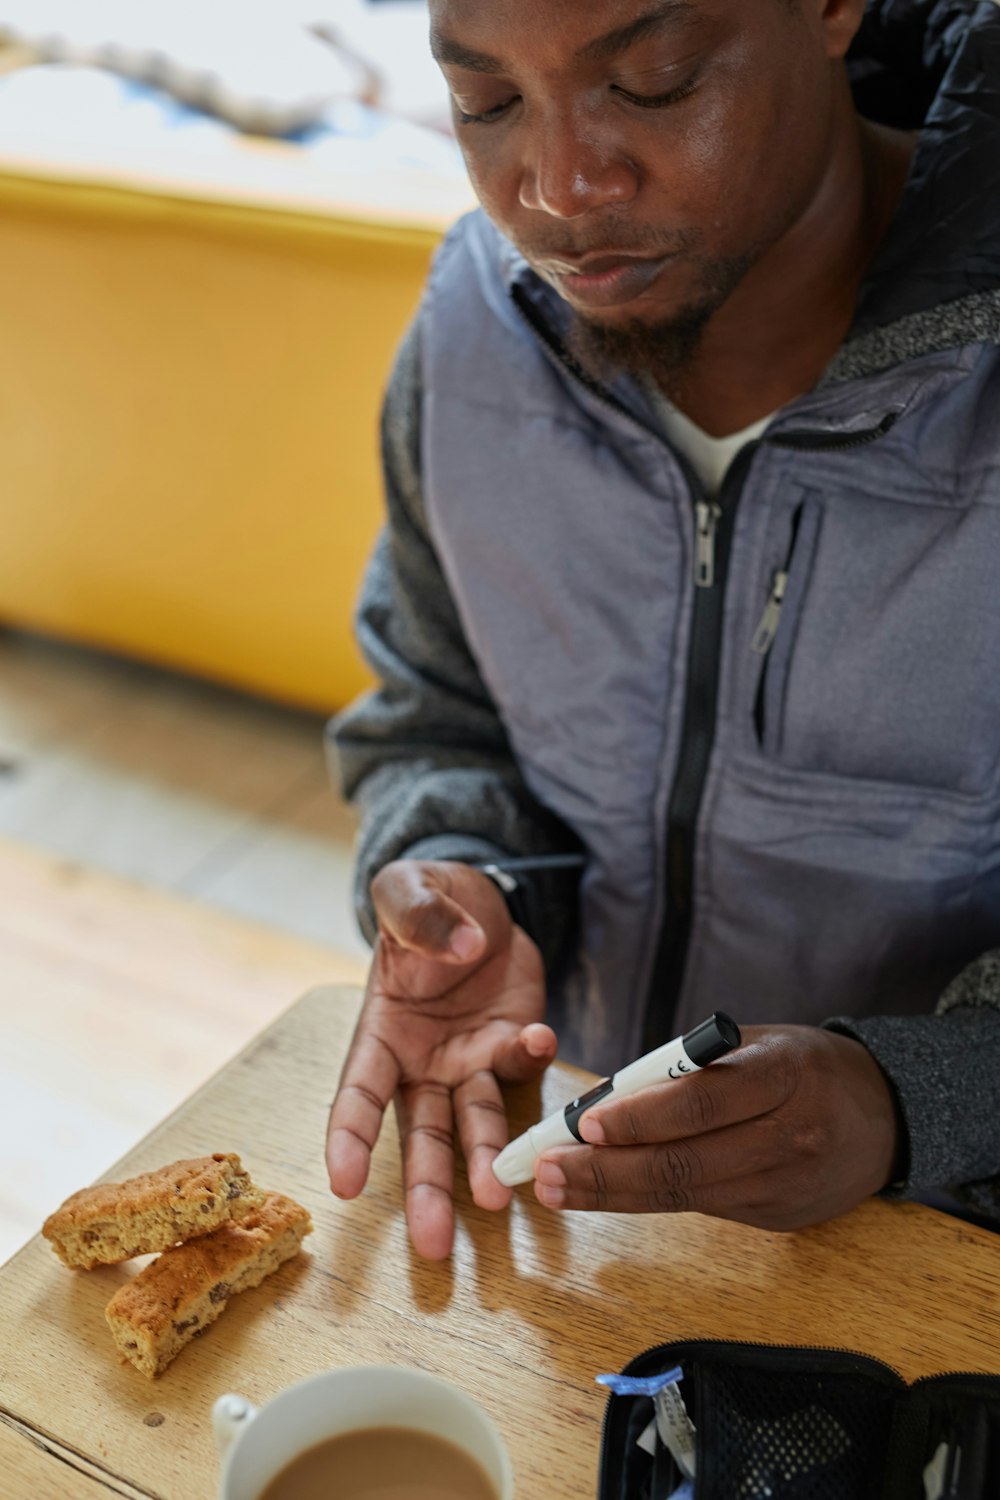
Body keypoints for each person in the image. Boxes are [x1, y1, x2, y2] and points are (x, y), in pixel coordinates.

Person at [324, 0, 1000, 1261]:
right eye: (486, 103)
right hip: (582, 1218)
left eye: (652, 81)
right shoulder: (472, 326)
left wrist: (908, 1100)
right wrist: (471, 879)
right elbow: (435, 711)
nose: (560, 189)